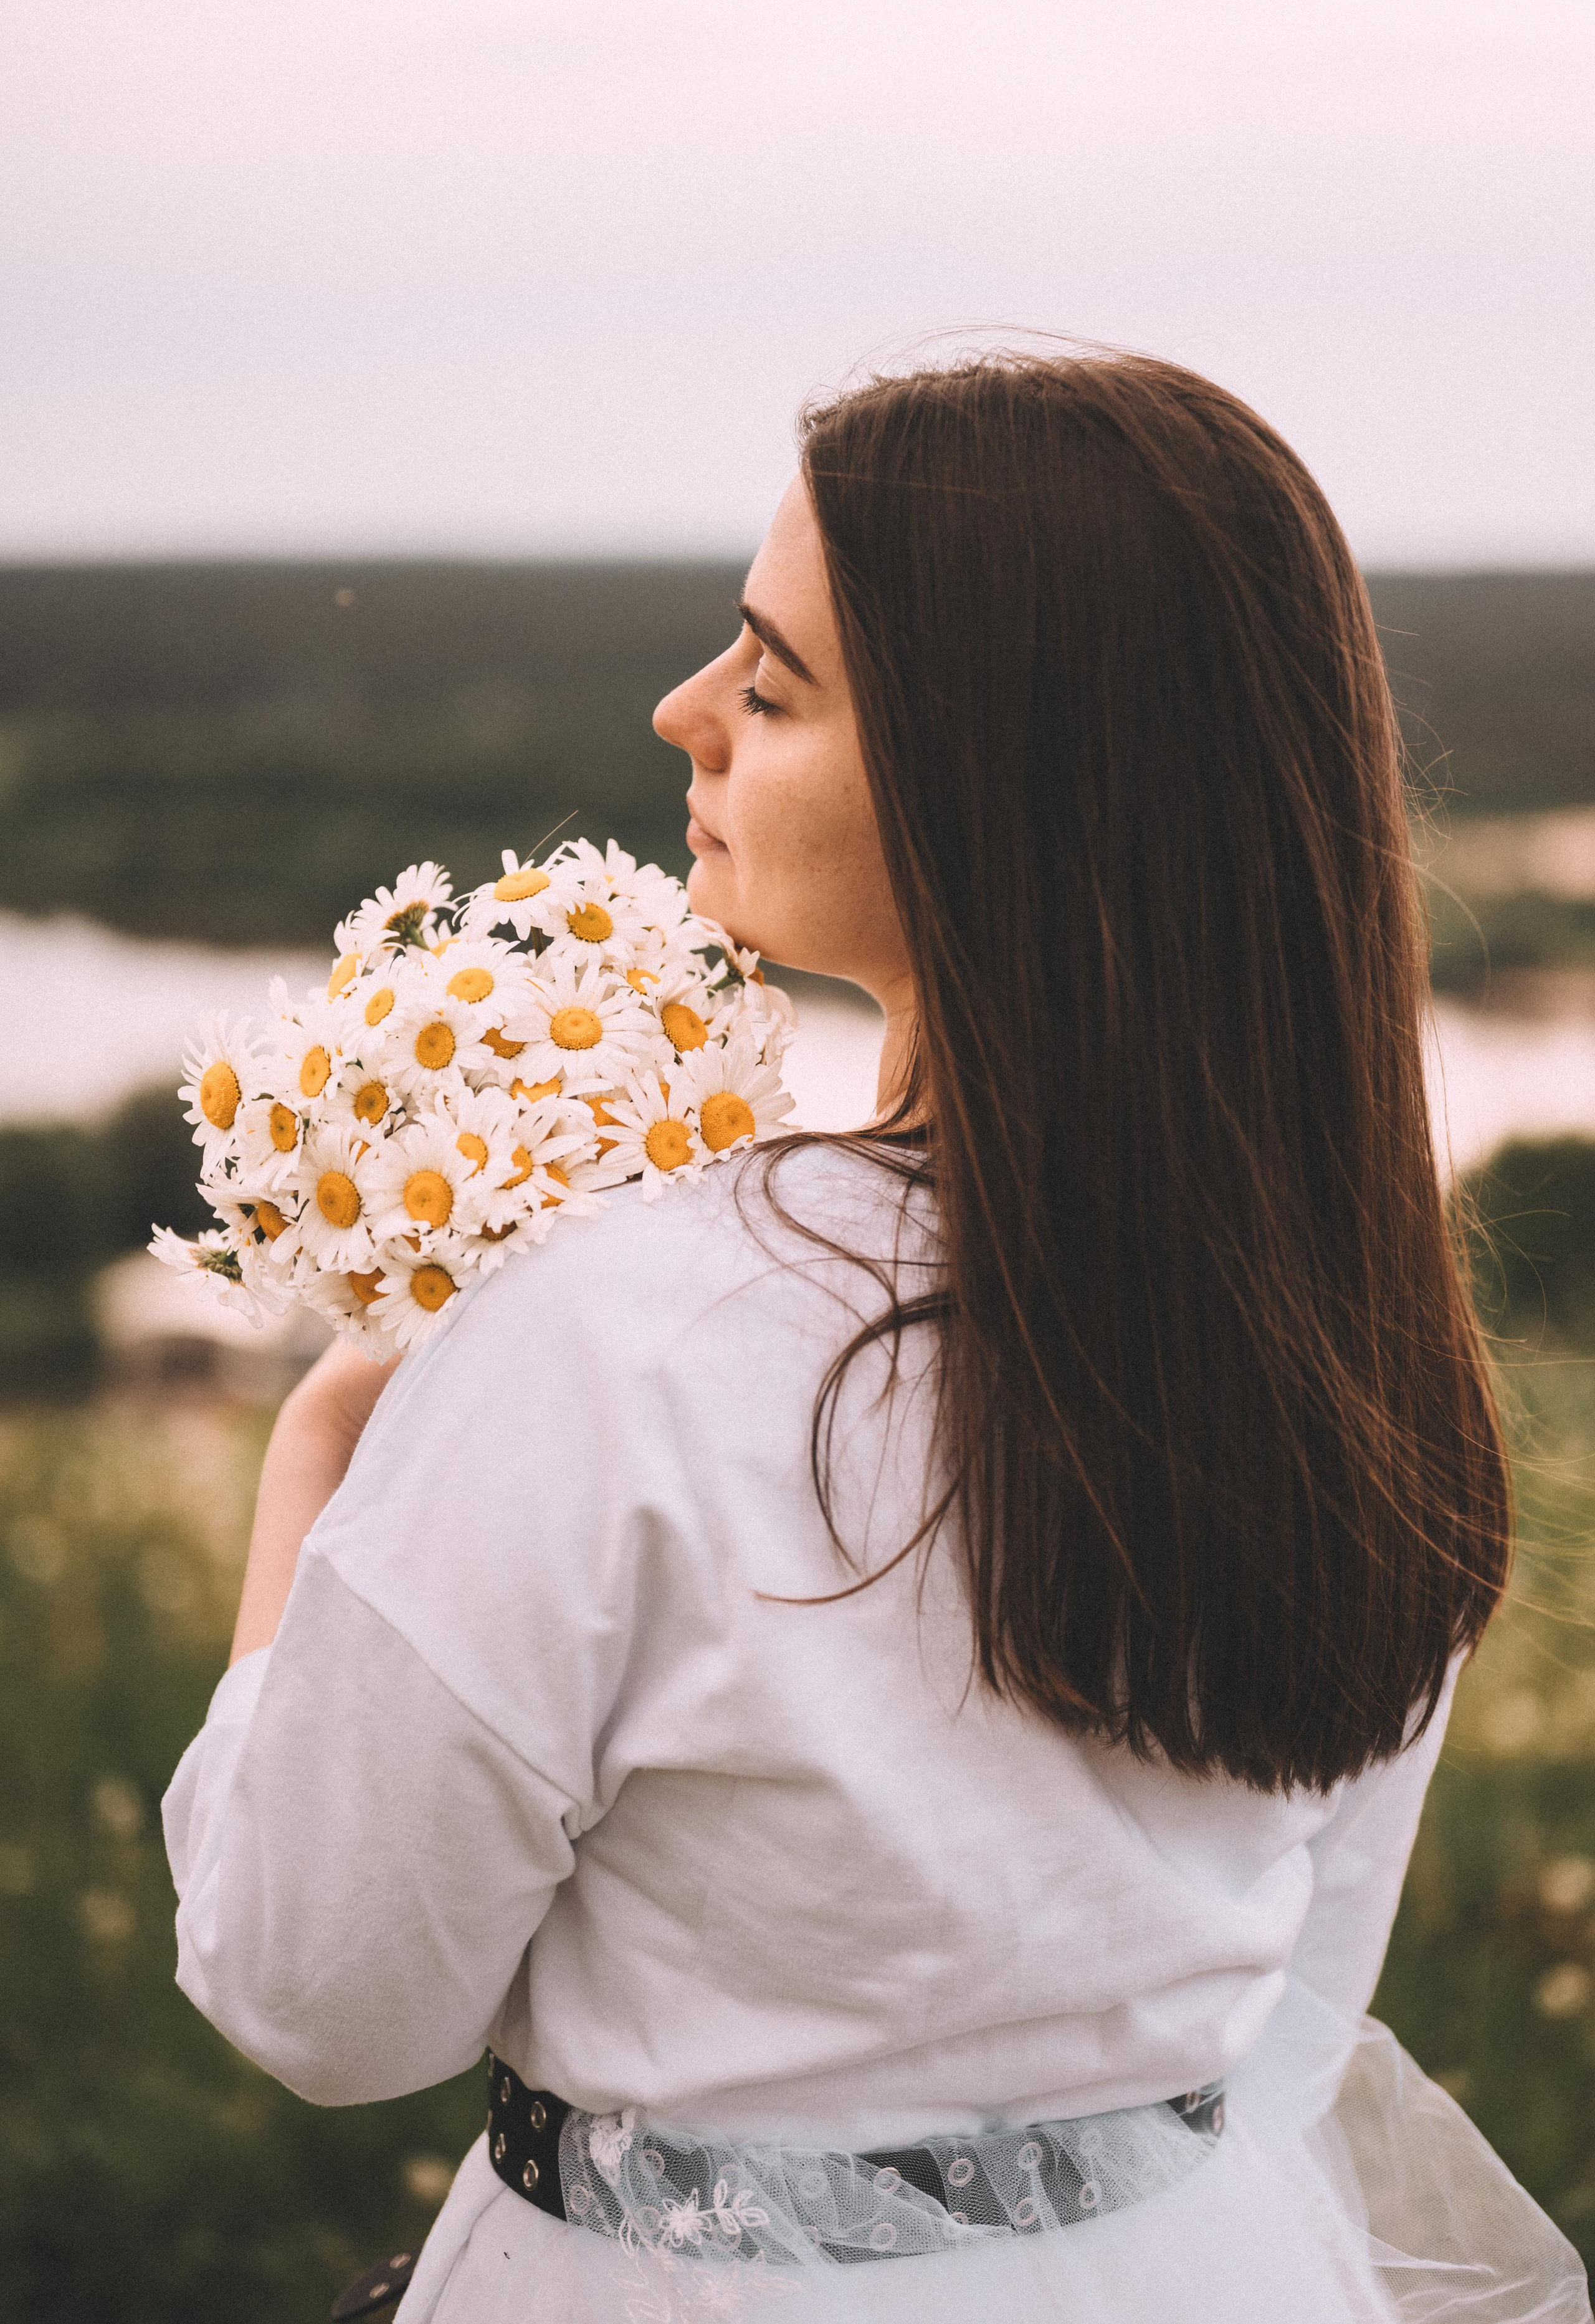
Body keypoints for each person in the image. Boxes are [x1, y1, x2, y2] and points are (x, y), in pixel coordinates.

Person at [164, 350, 1591, 2322]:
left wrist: (321, 1476)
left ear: (993, 788)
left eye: (769, 684)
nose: (682, 713)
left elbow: (314, 1984)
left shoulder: (619, 1339)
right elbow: (1292, 1990)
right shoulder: (1347, 1346)